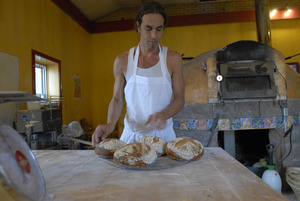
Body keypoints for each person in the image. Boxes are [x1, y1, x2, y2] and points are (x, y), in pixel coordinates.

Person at [92, 1, 184, 145]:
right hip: (131, 137)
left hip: (163, 138)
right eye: (148, 28)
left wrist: (163, 115)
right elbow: (117, 99)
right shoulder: (122, 61)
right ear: (138, 27)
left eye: (159, 29)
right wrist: (110, 123)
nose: (154, 35)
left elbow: (180, 99)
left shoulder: (173, 59)